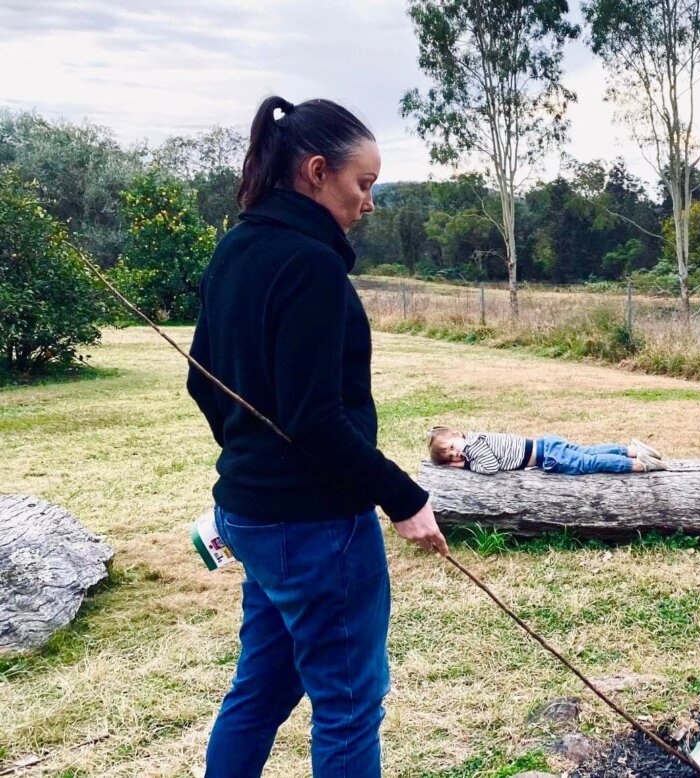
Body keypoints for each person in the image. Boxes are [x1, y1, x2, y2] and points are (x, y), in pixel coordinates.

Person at [186, 95, 447, 778]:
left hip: (249, 514)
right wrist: (405, 498)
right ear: (315, 171)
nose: (370, 203)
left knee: (263, 688)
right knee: (350, 704)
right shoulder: (311, 265)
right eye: (363, 184)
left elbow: (200, 384)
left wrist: (250, 460)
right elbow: (315, 419)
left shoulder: (237, 247)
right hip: (315, 528)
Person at [428, 427, 667, 474]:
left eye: (452, 447)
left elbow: (489, 467)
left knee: (588, 463)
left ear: (458, 434)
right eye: (450, 457)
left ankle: (640, 465)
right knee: (589, 452)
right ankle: (632, 450)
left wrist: (464, 464)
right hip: (545, 443)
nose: (455, 454)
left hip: (547, 456)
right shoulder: (477, 437)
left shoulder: (474, 445)